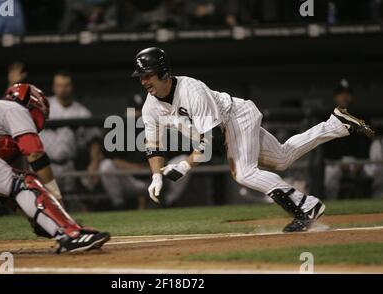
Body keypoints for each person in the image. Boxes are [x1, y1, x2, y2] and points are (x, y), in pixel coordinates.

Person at [133, 47, 374, 233]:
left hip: (235, 118)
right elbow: (153, 146)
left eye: (147, 75)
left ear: (164, 73)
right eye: (141, 76)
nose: (143, 81)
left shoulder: (191, 90)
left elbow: (213, 141)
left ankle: (305, 205)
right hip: (231, 125)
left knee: (243, 172)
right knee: (282, 158)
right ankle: (336, 124)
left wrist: (185, 166)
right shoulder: (150, 107)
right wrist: (156, 175)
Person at [0, 83, 110, 259]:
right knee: (25, 181)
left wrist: (41, 220)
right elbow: (34, 153)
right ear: (35, 104)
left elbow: (7, 194)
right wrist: (56, 197)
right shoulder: (15, 108)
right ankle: (70, 235)